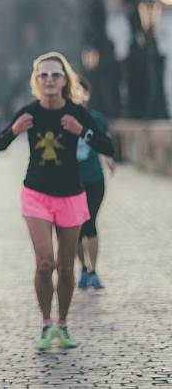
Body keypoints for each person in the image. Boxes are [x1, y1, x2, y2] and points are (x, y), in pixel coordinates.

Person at [0, 52, 114, 351]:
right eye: (43, 75)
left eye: (55, 75)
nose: (49, 80)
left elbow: (107, 145)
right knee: (45, 262)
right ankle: (46, 324)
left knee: (66, 266)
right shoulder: (29, 112)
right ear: (36, 81)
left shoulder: (76, 113)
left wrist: (81, 131)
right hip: (36, 193)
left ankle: (63, 323)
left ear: (64, 80)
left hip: (72, 194)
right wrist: (14, 130)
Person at [75, 77, 115, 292]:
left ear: (87, 94)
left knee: (90, 222)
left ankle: (93, 271)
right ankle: (83, 268)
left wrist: (109, 157)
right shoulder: (64, 117)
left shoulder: (96, 118)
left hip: (94, 179)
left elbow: (105, 141)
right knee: (77, 229)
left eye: (81, 90)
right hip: (72, 182)